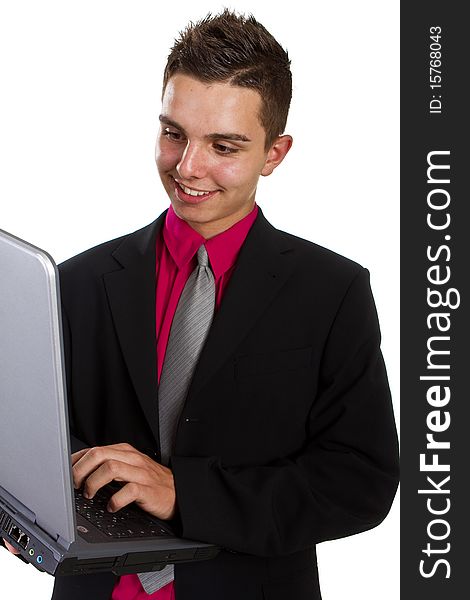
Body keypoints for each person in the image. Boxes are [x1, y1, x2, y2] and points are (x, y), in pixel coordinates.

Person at [3, 9, 399, 600]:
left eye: (224, 145)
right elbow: (37, 437)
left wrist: (183, 491)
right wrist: (22, 507)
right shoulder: (78, 280)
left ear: (275, 152)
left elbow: (359, 481)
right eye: (173, 134)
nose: (187, 167)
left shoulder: (331, 292)